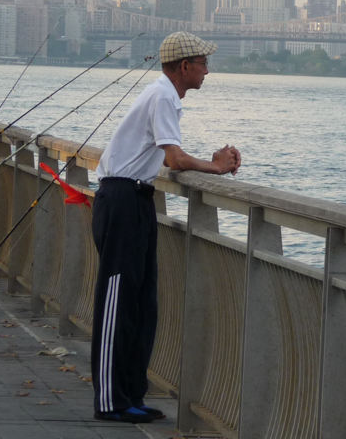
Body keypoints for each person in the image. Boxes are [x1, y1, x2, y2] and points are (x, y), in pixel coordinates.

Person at [90, 32, 241, 424]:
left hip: (138, 200)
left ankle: (130, 395)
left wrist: (209, 161)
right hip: (122, 201)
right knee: (118, 302)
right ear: (184, 66)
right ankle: (110, 400)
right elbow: (173, 158)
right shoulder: (161, 96)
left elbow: (165, 155)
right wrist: (216, 167)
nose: (207, 70)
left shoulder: (166, 98)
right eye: (203, 63)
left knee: (142, 305)